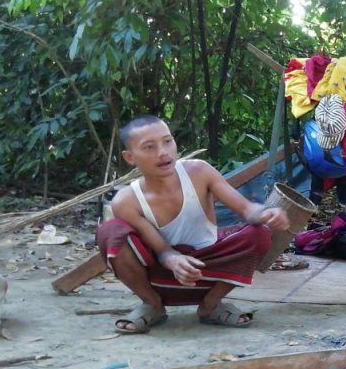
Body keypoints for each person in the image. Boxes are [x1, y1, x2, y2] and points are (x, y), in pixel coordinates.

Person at [96, 115, 290, 333]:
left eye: (167, 141)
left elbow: (246, 209)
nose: (163, 152)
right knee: (110, 231)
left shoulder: (199, 171)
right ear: (130, 157)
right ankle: (153, 305)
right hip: (162, 278)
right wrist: (173, 259)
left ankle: (211, 306)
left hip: (211, 273)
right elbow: (162, 250)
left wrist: (267, 213)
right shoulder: (126, 200)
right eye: (149, 147)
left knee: (260, 233)